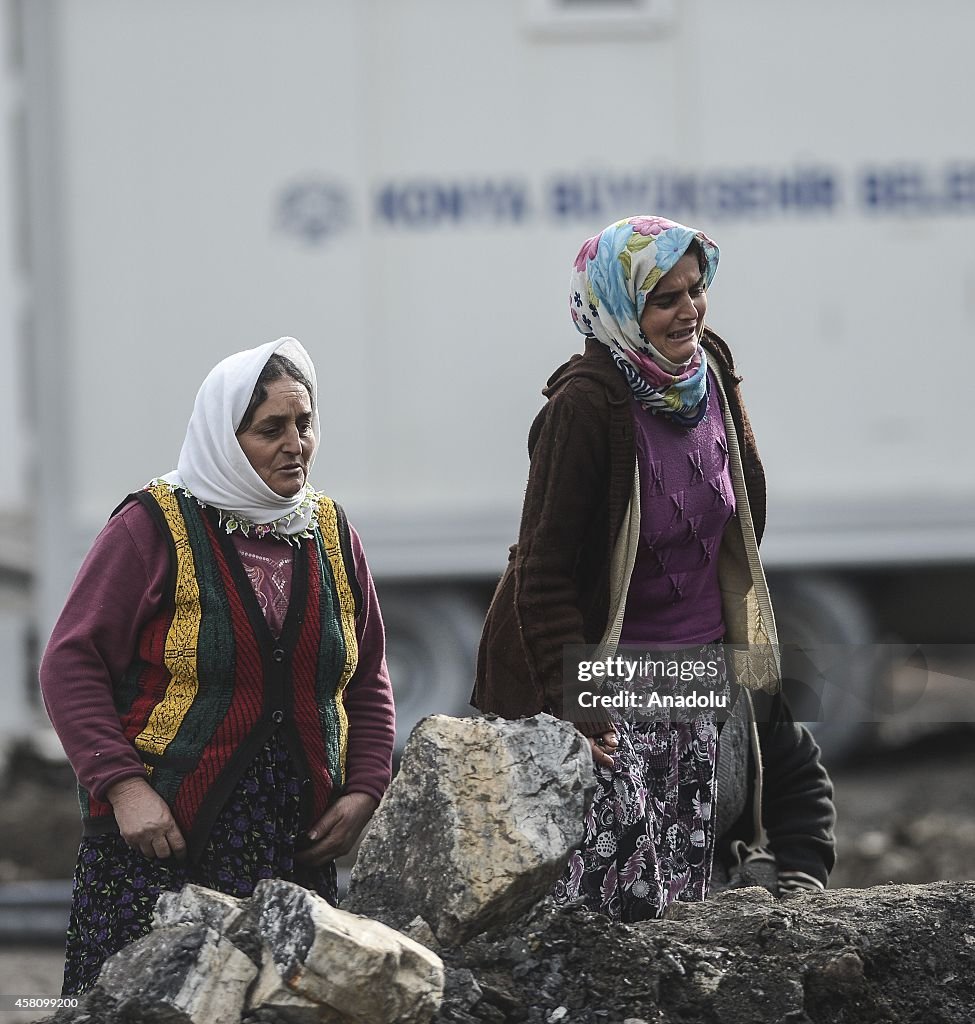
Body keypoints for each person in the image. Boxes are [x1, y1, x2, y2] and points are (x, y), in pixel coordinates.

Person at [472, 216, 835, 922]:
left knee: (696, 893)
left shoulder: (711, 375)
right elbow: (541, 575)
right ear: (618, 308)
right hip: (617, 684)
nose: (688, 311)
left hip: (701, 665)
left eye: (696, 290)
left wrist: (803, 880)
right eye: (663, 299)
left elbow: (738, 532)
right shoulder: (584, 407)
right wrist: (577, 706)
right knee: (618, 915)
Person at [40, 337, 395, 993]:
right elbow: (71, 664)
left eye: (304, 423)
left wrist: (363, 788)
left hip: (290, 851)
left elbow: (366, 675)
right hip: (159, 846)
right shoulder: (150, 525)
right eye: (270, 429)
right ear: (225, 440)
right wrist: (123, 787)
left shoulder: (330, 529)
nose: (296, 444)